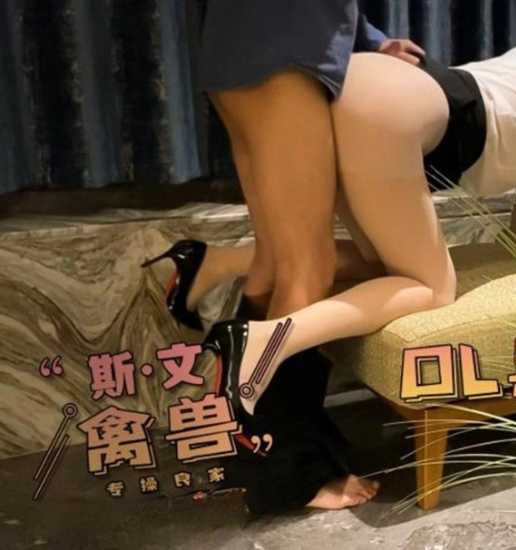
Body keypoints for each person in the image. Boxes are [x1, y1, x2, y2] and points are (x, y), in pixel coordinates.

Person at [198, 0, 516, 424]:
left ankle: (223, 262)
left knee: (379, 268)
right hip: (397, 108)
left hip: (359, 85)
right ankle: (263, 341)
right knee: (432, 290)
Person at [143, 0, 424, 513]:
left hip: (242, 45)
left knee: (277, 264)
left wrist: (369, 38)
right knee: (307, 266)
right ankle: (289, 471)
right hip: (286, 47)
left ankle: (248, 437)